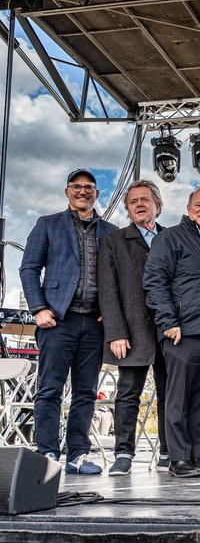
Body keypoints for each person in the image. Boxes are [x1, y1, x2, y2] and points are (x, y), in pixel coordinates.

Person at [20, 169, 116, 475]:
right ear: (67, 192)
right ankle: (48, 452)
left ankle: (78, 454)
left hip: (94, 324)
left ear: (97, 194)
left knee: (86, 392)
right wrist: (38, 308)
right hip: (58, 321)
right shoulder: (48, 225)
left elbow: (115, 277)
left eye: (89, 187)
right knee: (50, 389)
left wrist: (109, 310)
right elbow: (29, 268)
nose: (83, 191)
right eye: (77, 187)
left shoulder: (110, 232)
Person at [143, 187, 200, 478]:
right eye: (199, 205)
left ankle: (196, 456)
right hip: (183, 332)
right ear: (189, 208)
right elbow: (154, 281)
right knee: (178, 398)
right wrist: (168, 322)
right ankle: (178, 458)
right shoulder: (170, 238)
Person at [97, 179, 168, 475]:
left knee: (169, 394)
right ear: (127, 209)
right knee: (127, 394)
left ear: (158, 206)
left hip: (168, 332)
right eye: (134, 201)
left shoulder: (172, 238)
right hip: (132, 331)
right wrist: (116, 332)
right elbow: (107, 289)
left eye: (145, 200)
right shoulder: (114, 241)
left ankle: (169, 452)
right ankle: (123, 453)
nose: (140, 205)